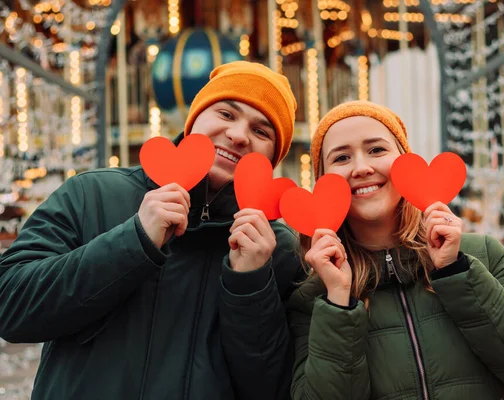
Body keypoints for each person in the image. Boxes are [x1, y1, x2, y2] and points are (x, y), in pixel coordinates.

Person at [0, 61, 303, 400]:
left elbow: (271, 388)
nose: (238, 135)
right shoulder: (92, 194)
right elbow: (11, 306)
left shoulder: (280, 250)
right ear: (194, 120)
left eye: (261, 131)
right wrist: (134, 240)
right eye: (226, 114)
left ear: (273, 157)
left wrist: (251, 284)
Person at [287, 101, 504, 399]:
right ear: (323, 180)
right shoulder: (315, 297)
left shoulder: (482, 255)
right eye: (341, 157)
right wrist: (339, 304)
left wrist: (456, 272)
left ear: (404, 161)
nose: (362, 167)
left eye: (377, 150)